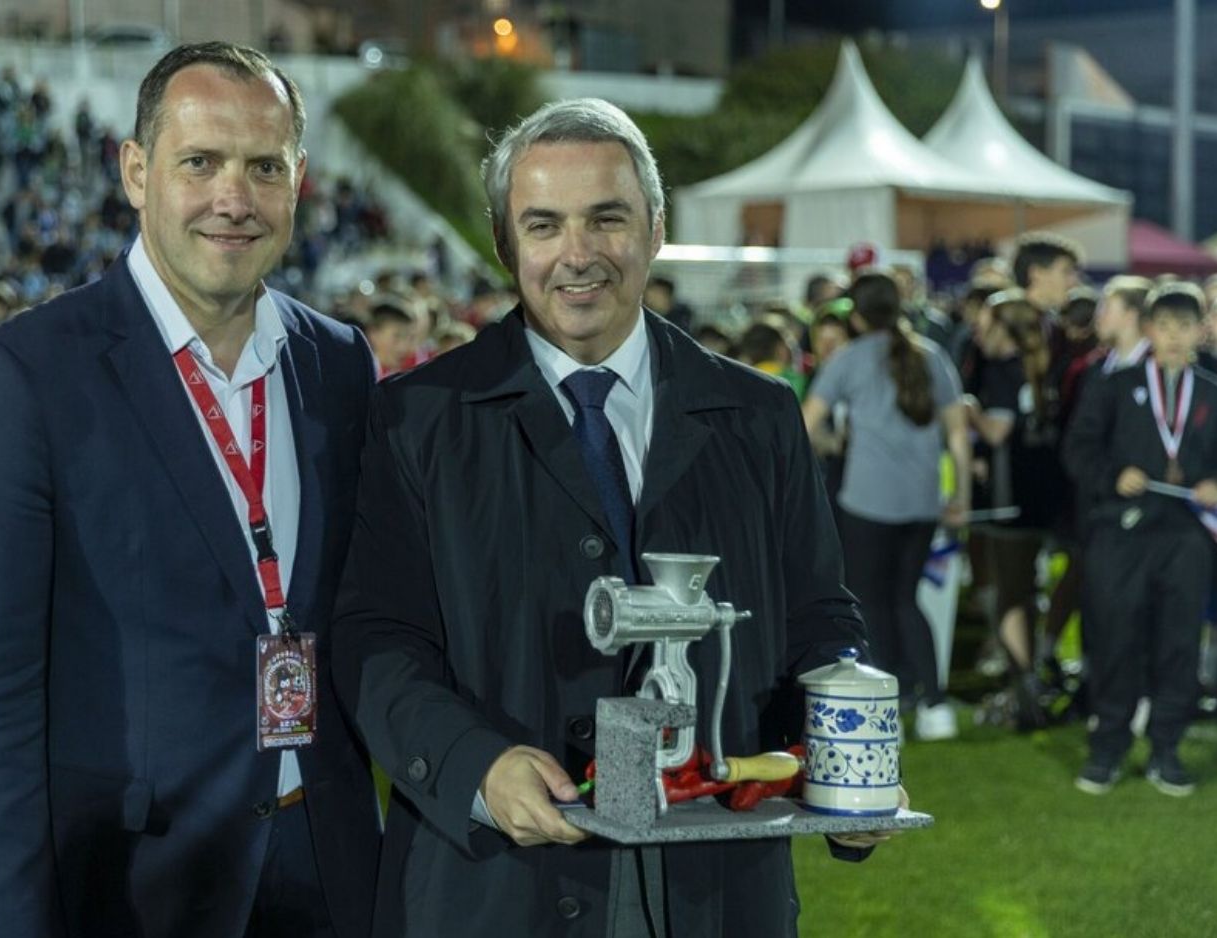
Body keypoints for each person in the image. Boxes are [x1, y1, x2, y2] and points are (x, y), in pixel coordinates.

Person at [332, 98, 882, 938]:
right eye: (543, 225)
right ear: (505, 242)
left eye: (607, 218)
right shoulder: (415, 418)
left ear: (655, 229)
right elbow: (376, 635)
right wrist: (475, 766)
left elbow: (817, 616)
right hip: (499, 885)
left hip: (713, 884)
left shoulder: (759, 414)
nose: (577, 253)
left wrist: (845, 754)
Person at [0, 42, 379, 938]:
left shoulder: (337, 362)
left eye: (264, 167)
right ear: (136, 172)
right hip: (135, 887)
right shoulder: (24, 378)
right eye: (199, 162)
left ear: (298, 181)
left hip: (327, 863)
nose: (233, 199)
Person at [804, 272, 971, 741]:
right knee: (906, 600)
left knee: (871, 604)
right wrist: (960, 495)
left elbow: (806, 421)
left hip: (867, 501)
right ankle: (934, 703)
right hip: (922, 502)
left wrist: (832, 444)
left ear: (856, 316)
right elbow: (958, 434)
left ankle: (886, 710)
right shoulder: (931, 355)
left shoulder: (850, 358)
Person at [1064, 283, 1217, 797]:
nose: (1174, 337)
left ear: (1200, 331)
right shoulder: (1115, 384)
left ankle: (1166, 749)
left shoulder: (1211, 391)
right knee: (1116, 639)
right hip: (1121, 531)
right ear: (1148, 329)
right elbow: (1078, 449)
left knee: (1178, 643)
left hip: (1186, 536)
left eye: (1184, 327)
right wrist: (1114, 476)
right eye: (1164, 326)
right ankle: (1108, 748)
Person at [965, 292, 1067, 729]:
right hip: (1038, 496)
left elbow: (998, 430)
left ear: (1005, 330)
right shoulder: (1038, 366)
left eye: (986, 324)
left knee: (1010, 595)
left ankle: (1024, 693)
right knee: (1023, 590)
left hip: (1008, 500)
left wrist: (969, 411)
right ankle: (1028, 685)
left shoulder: (1002, 370)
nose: (978, 331)